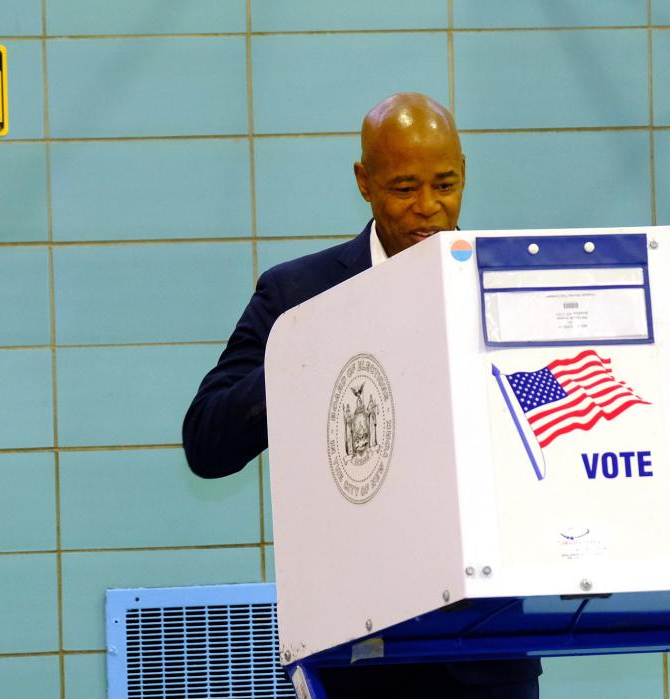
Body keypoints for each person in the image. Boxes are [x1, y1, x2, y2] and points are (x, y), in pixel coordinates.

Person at [182, 92, 542, 698]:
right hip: (357, 657)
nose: (429, 208)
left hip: (488, 657)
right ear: (364, 182)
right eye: (404, 189)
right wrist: (313, 359)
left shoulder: (509, 289)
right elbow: (206, 442)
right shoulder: (300, 295)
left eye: (445, 184)